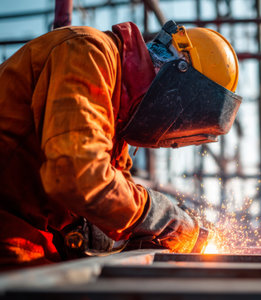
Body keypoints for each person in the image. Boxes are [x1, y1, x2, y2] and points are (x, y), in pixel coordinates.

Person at [0, 20, 241, 269]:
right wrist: (162, 218)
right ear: (177, 78)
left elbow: (117, 187)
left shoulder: (120, 112)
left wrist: (127, 229)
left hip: (33, 243)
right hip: (11, 240)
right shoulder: (87, 53)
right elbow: (80, 175)